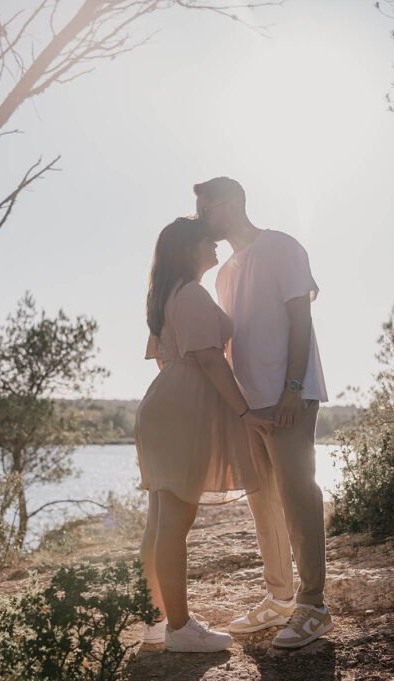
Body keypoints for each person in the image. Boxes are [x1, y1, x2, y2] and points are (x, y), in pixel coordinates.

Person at [195, 176, 333, 649]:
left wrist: (294, 387)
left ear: (231, 203)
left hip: (288, 396)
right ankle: (279, 597)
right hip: (250, 408)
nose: (201, 218)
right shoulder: (223, 274)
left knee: (297, 495)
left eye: (205, 208)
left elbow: (301, 319)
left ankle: (313, 606)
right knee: (263, 504)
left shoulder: (281, 247)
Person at [134, 216, 271, 653]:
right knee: (175, 522)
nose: (214, 245)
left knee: (160, 521)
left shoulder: (166, 295)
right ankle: (178, 628)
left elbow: (163, 358)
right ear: (188, 249)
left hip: (163, 405)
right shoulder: (191, 294)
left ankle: (157, 621)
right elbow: (212, 361)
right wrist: (244, 411)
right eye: (206, 241)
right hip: (179, 413)